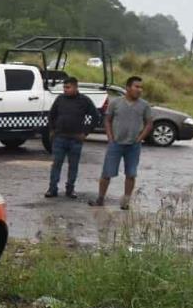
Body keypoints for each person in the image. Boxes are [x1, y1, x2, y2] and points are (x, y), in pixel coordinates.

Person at [89, 75, 153, 210]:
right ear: (128, 88)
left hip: (133, 146)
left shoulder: (144, 105)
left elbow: (149, 123)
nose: (139, 90)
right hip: (116, 144)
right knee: (106, 173)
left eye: (141, 87)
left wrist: (140, 138)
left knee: (131, 174)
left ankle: (126, 202)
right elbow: (107, 120)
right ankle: (100, 199)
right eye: (136, 86)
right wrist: (110, 137)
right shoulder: (116, 103)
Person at [45, 77, 99, 199]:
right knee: (56, 164)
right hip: (60, 138)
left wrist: (85, 133)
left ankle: (70, 189)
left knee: (73, 165)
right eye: (64, 87)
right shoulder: (60, 99)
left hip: (76, 139)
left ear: (75, 87)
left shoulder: (84, 100)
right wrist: (53, 130)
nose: (65, 90)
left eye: (68, 87)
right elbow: (51, 114)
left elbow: (95, 117)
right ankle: (52, 188)